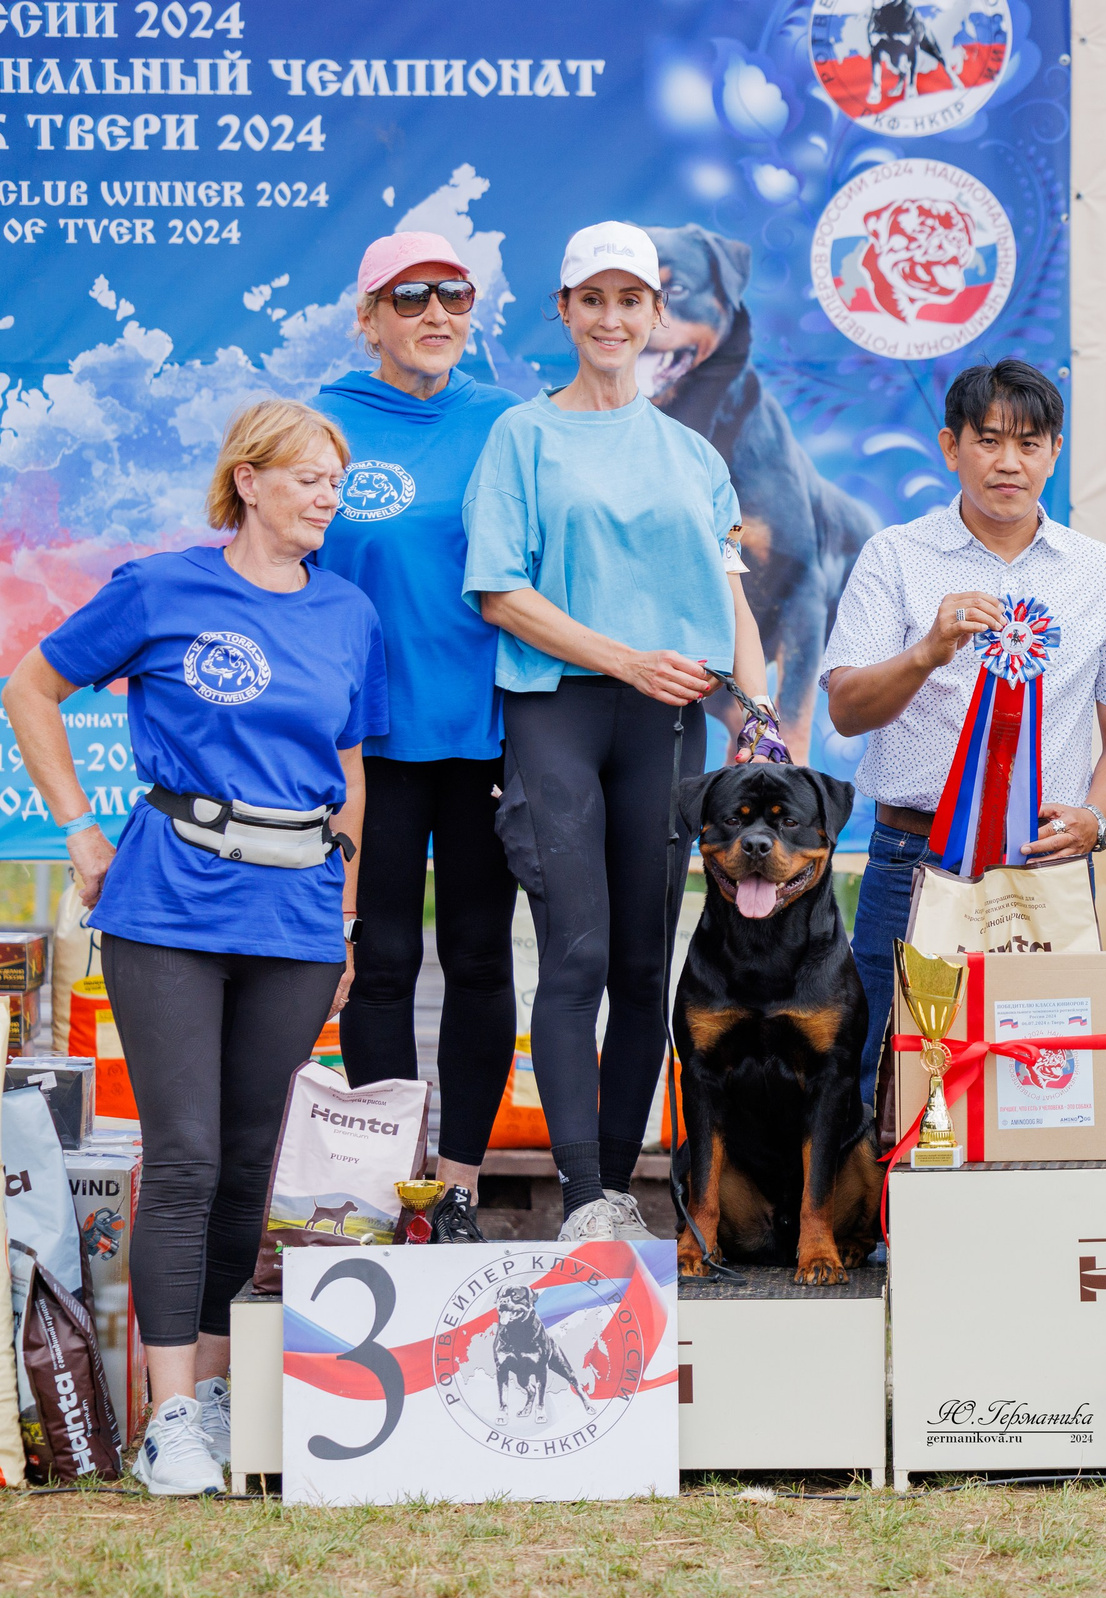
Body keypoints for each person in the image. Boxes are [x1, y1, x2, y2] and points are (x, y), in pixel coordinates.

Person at [1, 399, 385, 1495]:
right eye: (306, 476)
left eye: (336, 481)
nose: (325, 495)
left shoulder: (350, 612)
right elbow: (31, 684)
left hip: (298, 916)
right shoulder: (165, 588)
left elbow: (350, 763)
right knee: (184, 1157)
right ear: (248, 481)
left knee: (248, 1170)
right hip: (170, 902)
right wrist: (79, 824)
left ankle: (217, 1390)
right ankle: (169, 1420)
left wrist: (344, 907)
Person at [463, 221, 770, 1243]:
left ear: (652, 315)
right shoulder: (523, 435)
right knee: (577, 956)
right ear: (564, 312)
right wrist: (623, 657)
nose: (611, 318)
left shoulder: (693, 456)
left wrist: (758, 716)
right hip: (559, 710)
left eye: (629, 300)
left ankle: (619, 1203)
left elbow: (731, 604)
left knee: (646, 964)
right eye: (590, 299)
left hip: (669, 725)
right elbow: (500, 591)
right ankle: (581, 1193)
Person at [821, 359, 1106, 1095]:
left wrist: (1097, 817)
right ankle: (892, 1214)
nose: (1009, 462)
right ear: (950, 446)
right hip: (914, 856)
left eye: (1030, 444)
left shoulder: (1100, 572)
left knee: (1041, 1084)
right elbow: (844, 707)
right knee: (892, 1080)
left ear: (1055, 452)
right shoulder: (896, 557)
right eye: (990, 440)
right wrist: (927, 653)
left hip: (1045, 866)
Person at [314, 232, 518, 1234]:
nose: (435, 314)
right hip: (368, 744)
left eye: (452, 296)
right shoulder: (323, 425)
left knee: (480, 956)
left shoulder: (511, 423)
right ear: (370, 316)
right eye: (409, 299)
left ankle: (462, 1186)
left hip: (485, 734)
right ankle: (396, 1184)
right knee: (381, 957)